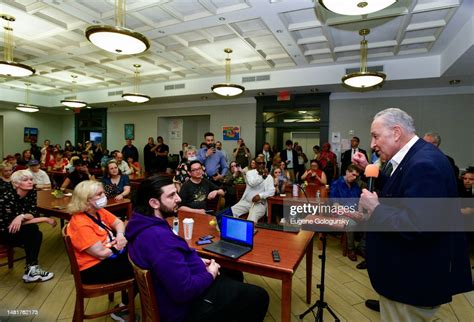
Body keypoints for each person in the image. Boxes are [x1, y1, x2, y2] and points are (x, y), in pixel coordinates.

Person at [352, 108, 471, 320]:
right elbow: (401, 192)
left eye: (376, 136)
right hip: (407, 276)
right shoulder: (417, 157)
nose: (372, 144)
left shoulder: (424, 164)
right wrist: (366, 170)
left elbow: (419, 226)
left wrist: (376, 209)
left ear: (396, 132)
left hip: (412, 280)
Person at [125, 175, 269, 322]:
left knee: (234, 273)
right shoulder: (158, 239)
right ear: (154, 203)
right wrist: (210, 274)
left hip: (172, 291)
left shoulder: (141, 225)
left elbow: (169, 261)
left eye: (176, 192)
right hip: (185, 309)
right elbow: (184, 291)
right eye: (171, 195)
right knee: (259, 296)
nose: (179, 199)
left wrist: (197, 261)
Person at [66, 180, 135, 321]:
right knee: (141, 268)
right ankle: (122, 309)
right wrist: (118, 245)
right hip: (92, 268)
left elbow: (118, 222)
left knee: (141, 256)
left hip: (108, 256)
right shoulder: (80, 223)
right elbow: (101, 254)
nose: (104, 195)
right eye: (99, 194)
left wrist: (120, 235)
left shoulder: (97, 211)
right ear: (87, 200)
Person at [0, 170, 56, 282]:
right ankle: (31, 269)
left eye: (31, 179)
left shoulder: (31, 192)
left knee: (33, 231)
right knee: (33, 231)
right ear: (16, 184)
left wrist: (21, 216)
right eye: (25, 180)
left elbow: (32, 213)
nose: (30, 182)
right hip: (2, 232)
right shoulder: (6, 197)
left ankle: (31, 269)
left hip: (15, 230)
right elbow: (10, 225)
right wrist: (44, 219)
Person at [330, 164, 361, 261]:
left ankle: (362, 248)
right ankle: (351, 249)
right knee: (351, 223)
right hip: (340, 213)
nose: (355, 177)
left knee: (373, 218)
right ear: (347, 172)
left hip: (354, 211)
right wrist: (352, 213)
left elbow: (360, 201)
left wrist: (359, 212)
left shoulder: (355, 185)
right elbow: (335, 206)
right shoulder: (336, 184)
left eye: (357, 176)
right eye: (353, 174)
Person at [232, 156, 275, 223]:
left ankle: (248, 233)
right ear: (256, 164)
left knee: (251, 219)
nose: (262, 165)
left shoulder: (269, 177)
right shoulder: (250, 173)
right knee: (231, 211)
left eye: (263, 163)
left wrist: (260, 195)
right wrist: (262, 177)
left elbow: (271, 191)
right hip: (246, 202)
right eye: (259, 163)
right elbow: (252, 183)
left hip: (259, 204)